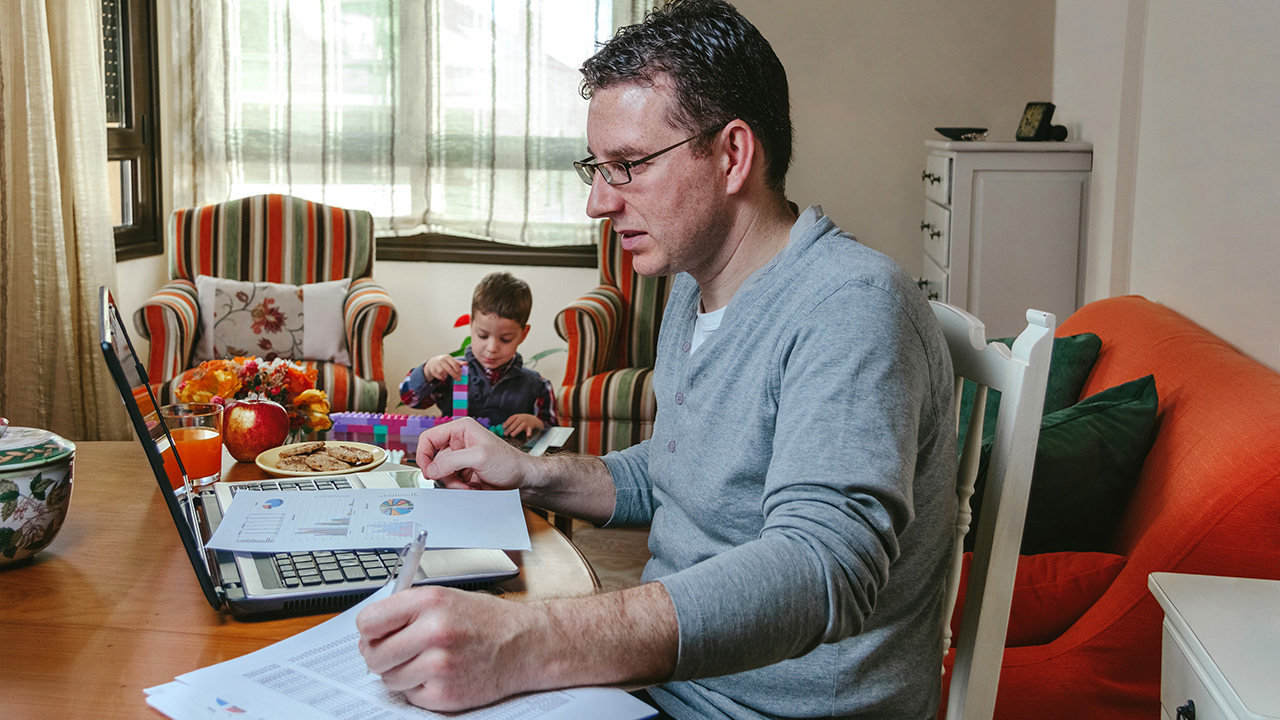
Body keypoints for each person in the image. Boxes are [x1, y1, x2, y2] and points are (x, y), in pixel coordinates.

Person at [357, 1, 957, 718]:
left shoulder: (850, 306)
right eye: (596, 167)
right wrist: (534, 473)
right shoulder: (692, 288)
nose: (596, 203)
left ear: (732, 155)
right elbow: (680, 472)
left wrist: (528, 643)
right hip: (668, 691)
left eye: (627, 166)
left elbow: (824, 567)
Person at [398, 271, 557, 438]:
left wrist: (537, 424)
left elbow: (555, 437)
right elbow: (410, 399)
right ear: (471, 324)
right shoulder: (451, 372)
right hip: (453, 459)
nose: (492, 348)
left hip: (508, 462)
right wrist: (428, 370)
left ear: (523, 334)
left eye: (505, 339)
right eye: (483, 335)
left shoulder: (538, 385)